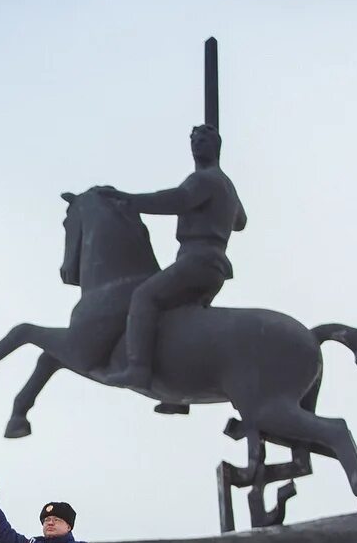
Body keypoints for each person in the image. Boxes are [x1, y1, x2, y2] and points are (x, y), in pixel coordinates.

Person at [99, 124, 247, 390]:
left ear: (217, 146)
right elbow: (240, 221)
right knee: (178, 319)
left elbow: (177, 200)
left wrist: (129, 200)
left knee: (144, 296)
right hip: (214, 266)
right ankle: (176, 392)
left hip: (196, 260)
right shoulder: (226, 185)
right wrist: (222, 203)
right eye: (194, 139)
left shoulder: (204, 180)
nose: (197, 143)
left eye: (204, 139)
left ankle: (138, 368)